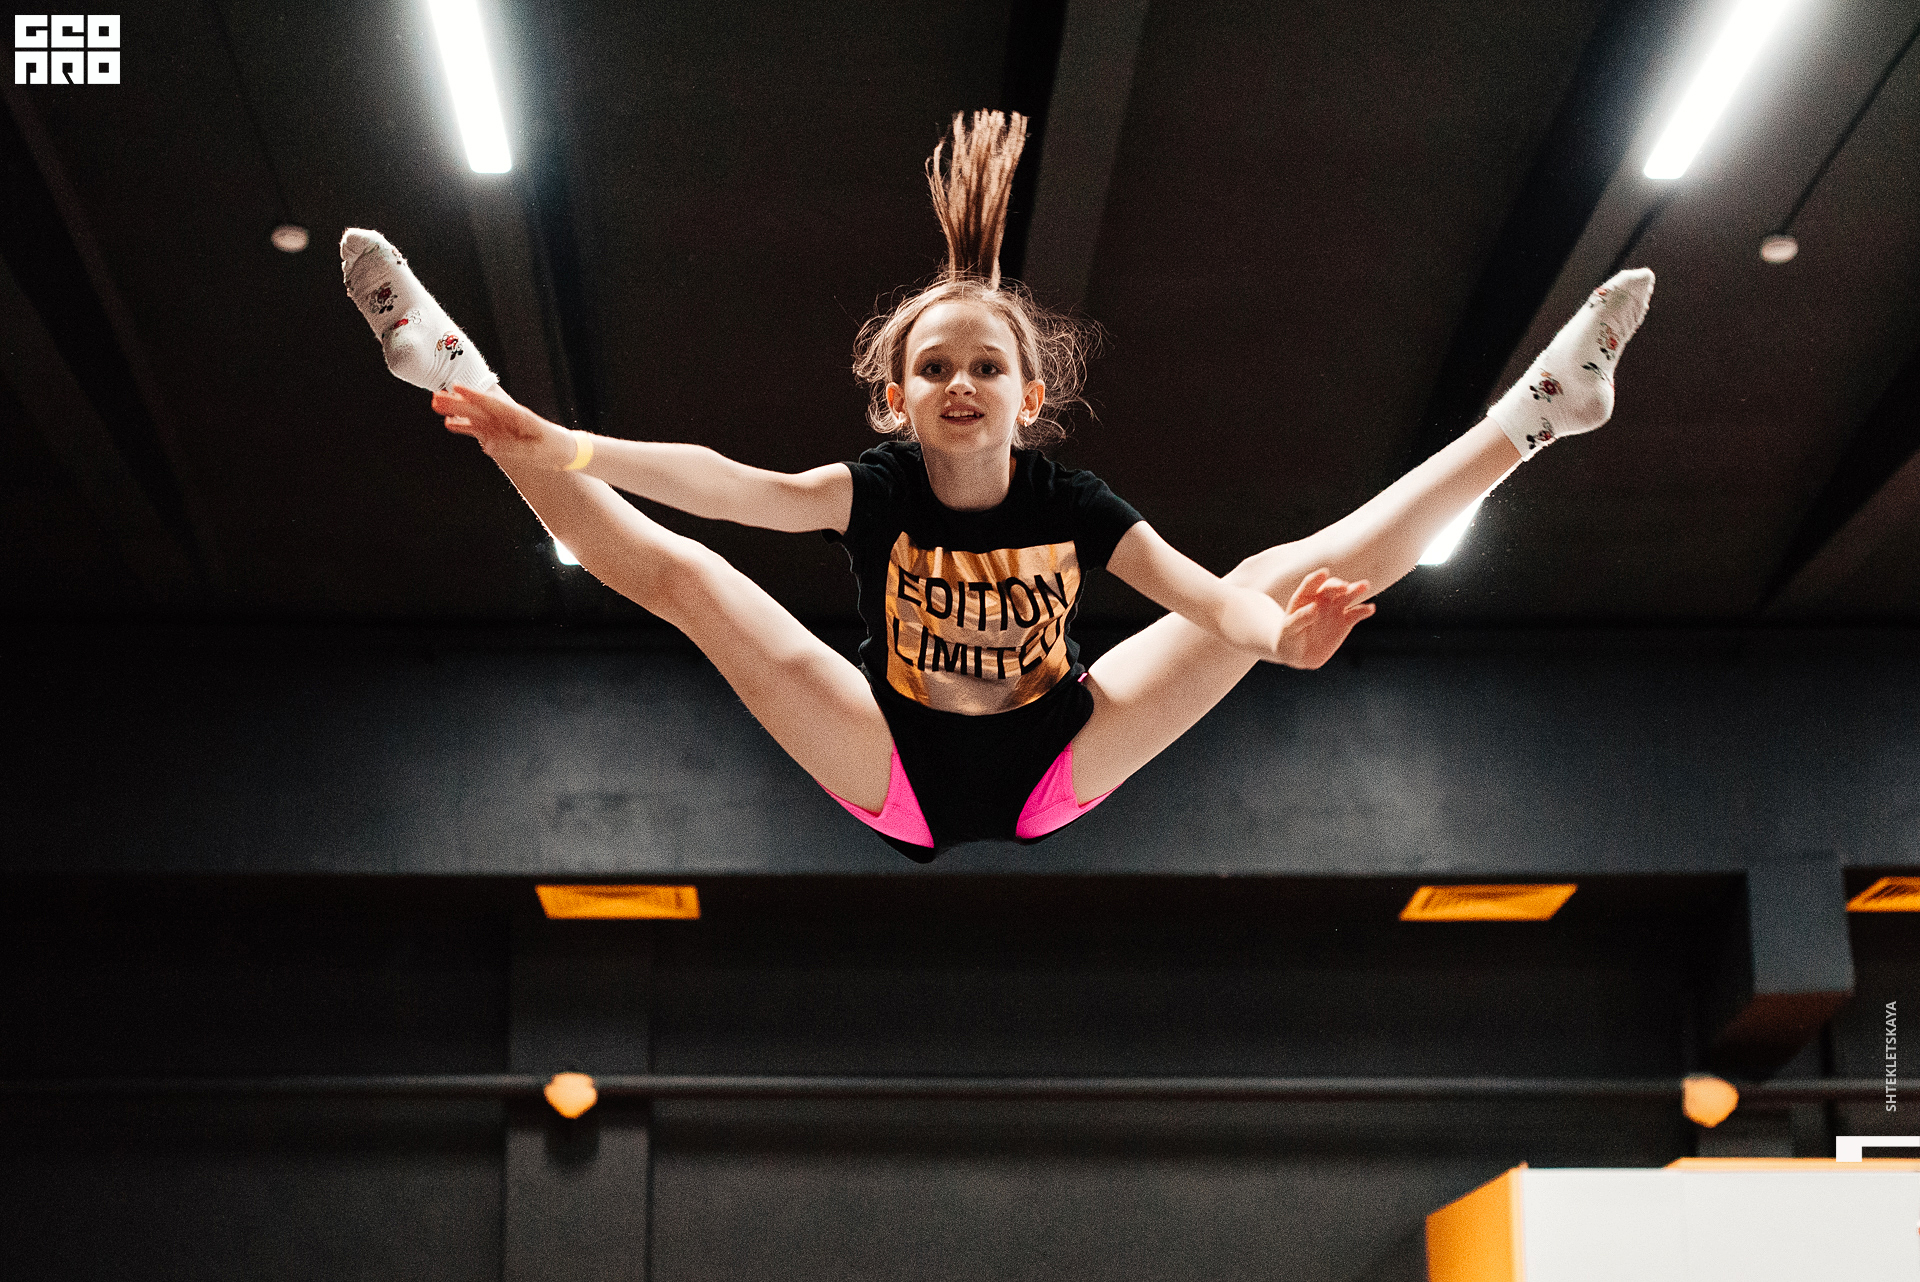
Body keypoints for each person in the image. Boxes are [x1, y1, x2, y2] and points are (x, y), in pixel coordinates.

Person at [339, 110, 1653, 861]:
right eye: (933, 367)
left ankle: (1535, 417)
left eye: (987, 365)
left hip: (1056, 750)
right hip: (889, 751)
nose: (960, 381)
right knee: (686, 576)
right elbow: (733, 488)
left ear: (1032, 396)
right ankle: (457, 375)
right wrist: (562, 442)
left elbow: (1207, 597)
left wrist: (1278, 641)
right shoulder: (874, 486)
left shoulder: (1073, 505)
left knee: (1275, 572)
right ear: (894, 397)